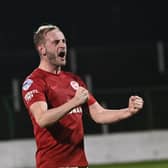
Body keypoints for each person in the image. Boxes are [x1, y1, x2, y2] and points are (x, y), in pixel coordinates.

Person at [21, 24, 144, 168]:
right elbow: (42, 119)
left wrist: (128, 111)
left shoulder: (74, 80)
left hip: (80, 164)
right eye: (56, 42)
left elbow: (99, 113)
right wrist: (74, 102)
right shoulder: (34, 82)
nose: (62, 46)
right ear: (42, 49)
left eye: (64, 41)